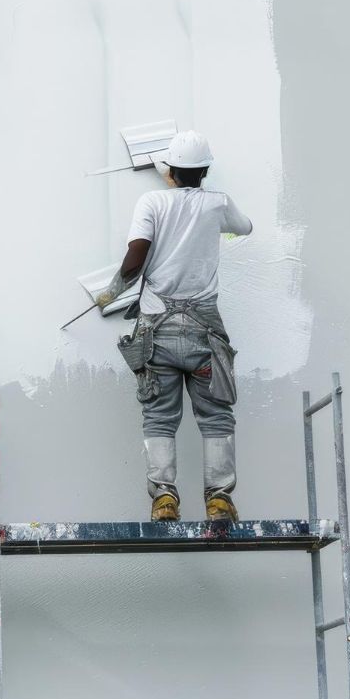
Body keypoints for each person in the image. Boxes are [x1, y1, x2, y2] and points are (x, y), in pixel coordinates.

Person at [96, 130, 253, 522]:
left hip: (157, 335)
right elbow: (245, 227)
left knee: (159, 417)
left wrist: (112, 290)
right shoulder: (218, 204)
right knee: (215, 416)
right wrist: (212, 225)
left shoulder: (151, 201)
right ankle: (219, 500)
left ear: (169, 170)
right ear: (205, 170)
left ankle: (164, 498)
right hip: (204, 334)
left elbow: (134, 261)